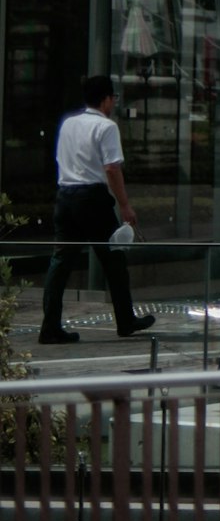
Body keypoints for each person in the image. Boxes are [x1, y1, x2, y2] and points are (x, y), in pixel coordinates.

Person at [41, 76, 150, 343]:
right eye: (113, 98)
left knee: (60, 264)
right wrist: (125, 205)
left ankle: (50, 326)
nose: (113, 103)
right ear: (106, 99)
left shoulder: (68, 124)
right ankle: (125, 320)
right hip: (92, 198)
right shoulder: (106, 126)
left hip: (65, 196)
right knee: (114, 261)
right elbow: (112, 167)